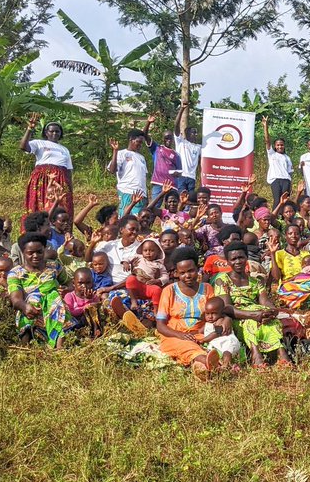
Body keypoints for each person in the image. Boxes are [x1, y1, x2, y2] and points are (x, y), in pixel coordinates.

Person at [214, 242, 291, 368]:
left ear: (246, 258)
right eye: (233, 259)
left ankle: (281, 354)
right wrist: (252, 315)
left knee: (273, 321)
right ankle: (256, 356)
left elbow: (265, 301)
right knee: (250, 323)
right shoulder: (222, 280)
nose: (238, 261)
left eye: (241, 257)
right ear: (228, 262)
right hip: (237, 316)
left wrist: (271, 311)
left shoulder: (256, 281)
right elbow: (227, 307)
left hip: (258, 313)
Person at [154, 248, 228, 378]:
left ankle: (201, 367)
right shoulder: (169, 291)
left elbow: (217, 313)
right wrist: (180, 335)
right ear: (176, 273)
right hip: (174, 335)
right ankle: (210, 363)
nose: (187, 276)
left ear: (198, 269)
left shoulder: (207, 288)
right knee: (186, 346)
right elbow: (160, 325)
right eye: (182, 273)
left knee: (220, 342)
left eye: (191, 271)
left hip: (201, 334)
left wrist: (224, 321)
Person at [7, 232, 69, 348]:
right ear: (23, 253)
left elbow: (69, 283)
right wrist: (25, 307)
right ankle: (27, 347)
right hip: (31, 310)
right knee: (33, 301)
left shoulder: (54, 267)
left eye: (39, 252)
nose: (35, 256)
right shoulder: (16, 273)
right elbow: (16, 299)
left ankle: (60, 348)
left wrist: (66, 290)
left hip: (55, 309)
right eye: (30, 253)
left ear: (44, 250)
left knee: (54, 298)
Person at [19, 114, 74, 218]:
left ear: (61, 133)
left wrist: (70, 190)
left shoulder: (65, 149)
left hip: (61, 179)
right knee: (40, 204)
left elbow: (68, 171)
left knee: (62, 207)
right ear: (46, 132)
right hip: (42, 178)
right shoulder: (39, 143)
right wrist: (29, 129)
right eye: (51, 131)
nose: (54, 133)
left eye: (57, 131)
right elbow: (23, 146)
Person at [108, 130, 149, 217]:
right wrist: (115, 151)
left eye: (142, 143)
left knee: (138, 221)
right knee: (124, 219)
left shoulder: (142, 158)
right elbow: (112, 170)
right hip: (127, 191)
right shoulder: (121, 153)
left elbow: (143, 178)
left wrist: (146, 196)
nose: (140, 145)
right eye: (138, 142)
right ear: (131, 139)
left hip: (141, 195)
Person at [145, 116, 183, 201]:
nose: (168, 140)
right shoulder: (157, 148)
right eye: (166, 138)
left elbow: (180, 172)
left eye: (170, 138)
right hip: (158, 183)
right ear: (163, 139)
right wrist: (148, 123)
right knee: (154, 207)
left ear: (173, 139)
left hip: (172, 185)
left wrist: (176, 173)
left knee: (170, 209)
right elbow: (145, 135)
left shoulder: (176, 155)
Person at [64, 268, 104, 339]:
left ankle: (96, 332)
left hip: (91, 324)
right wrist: (86, 303)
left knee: (93, 308)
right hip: (75, 325)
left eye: (88, 283)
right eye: (80, 283)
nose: (84, 286)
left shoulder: (93, 296)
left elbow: (97, 310)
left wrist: (90, 300)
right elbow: (71, 313)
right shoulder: (69, 296)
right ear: (73, 283)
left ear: (92, 283)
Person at [262, 116, 293, 209]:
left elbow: (290, 172)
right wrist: (265, 126)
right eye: (278, 145)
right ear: (275, 146)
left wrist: (290, 184)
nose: (280, 146)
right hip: (276, 180)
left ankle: (284, 218)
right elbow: (267, 141)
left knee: (285, 200)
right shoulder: (272, 154)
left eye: (282, 145)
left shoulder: (287, 157)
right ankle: (274, 218)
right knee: (277, 200)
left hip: (286, 180)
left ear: (284, 146)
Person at [174, 120, 203, 196]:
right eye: (193, 132)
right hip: (181, 176)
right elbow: (176, 127)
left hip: (192, 178)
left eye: (196, 133)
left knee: (190, 200)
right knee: (181, 197)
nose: (196, 134)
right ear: (187, 134)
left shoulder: (198, 147)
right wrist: (182, 109)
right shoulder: (181, 142)